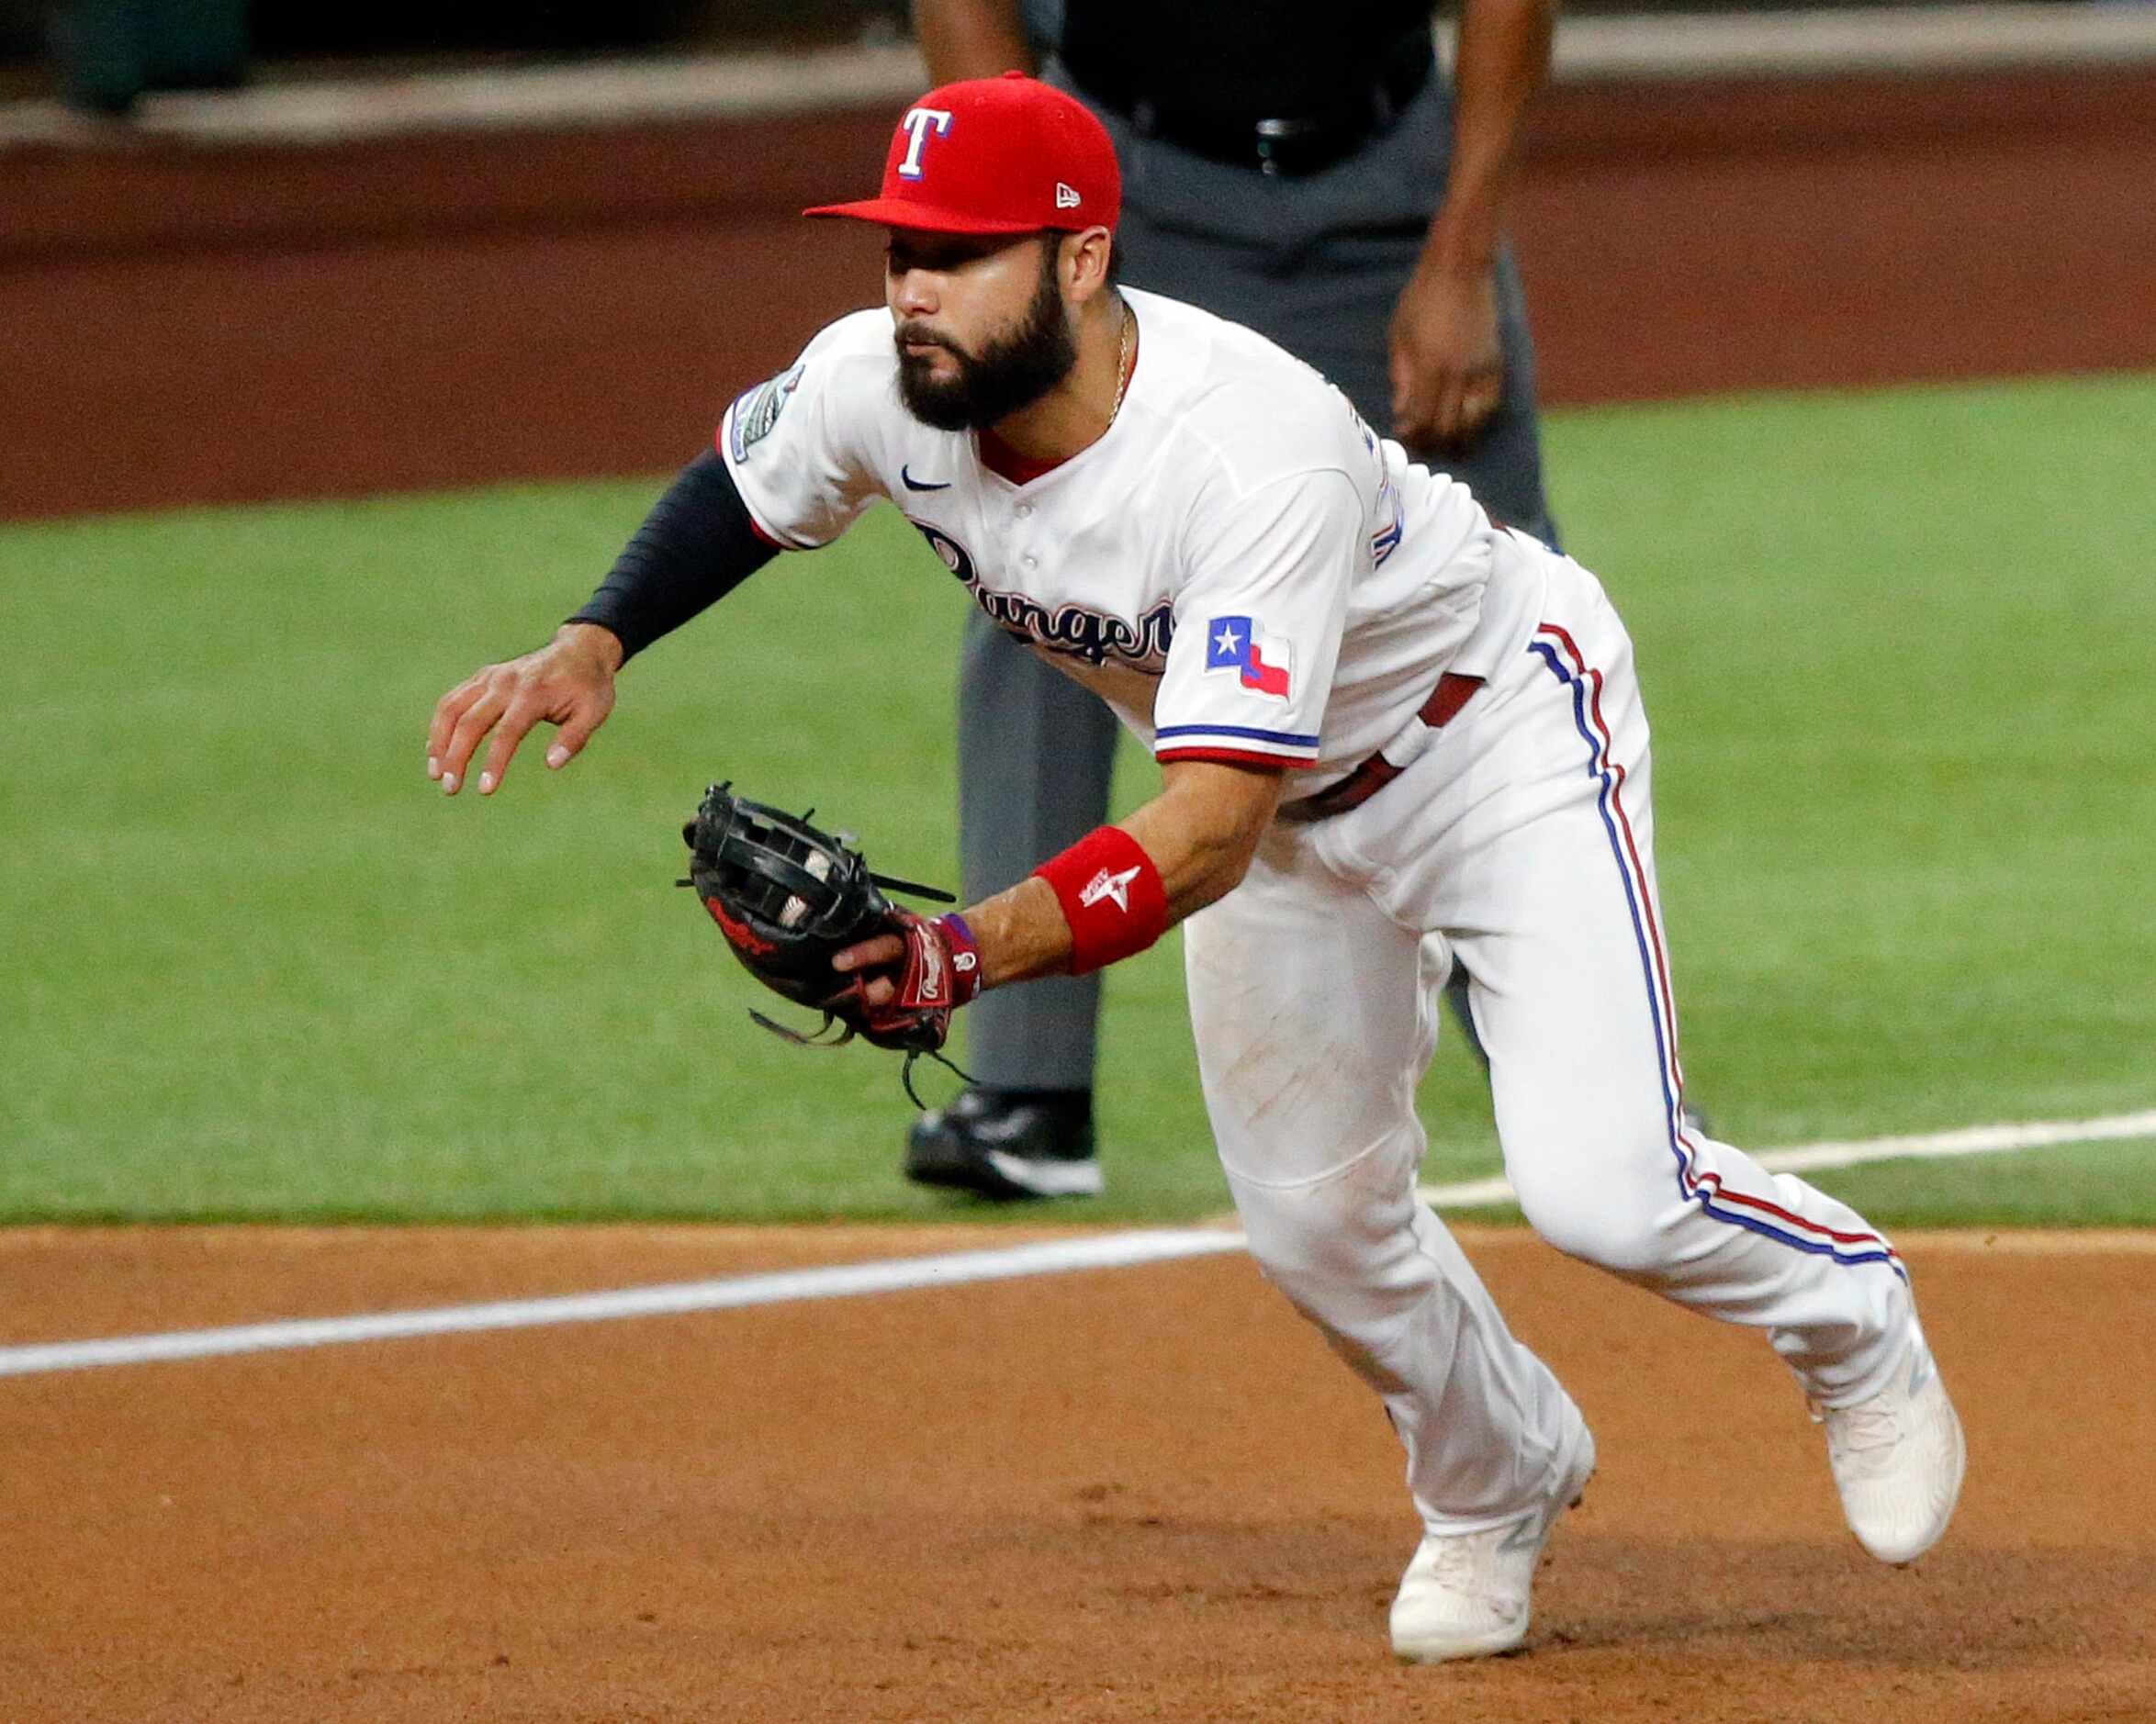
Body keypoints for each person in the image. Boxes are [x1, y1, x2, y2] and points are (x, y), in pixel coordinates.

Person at [424, 76, 1966, 1662]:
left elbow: (1211, 830)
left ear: (1082, 259)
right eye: (897, 251)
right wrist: (594, 637)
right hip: (1277, 811)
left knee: (1608, 1188)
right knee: (1317, 1225)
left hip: (1488, 740)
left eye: (959, 255)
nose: (913, 293)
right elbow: (743, 493)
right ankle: (1497, 1476)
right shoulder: (881, 382)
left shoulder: (1247, 455)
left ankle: (1854, 1323)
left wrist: (964, 954)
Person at [903, 0, 1567, 1200]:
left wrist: (1460, 257)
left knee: (1507, 620)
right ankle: (1027, 1089)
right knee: (1036, 565)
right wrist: (1015, 230)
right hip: (1130, 193)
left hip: (1390, 183)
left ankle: (1579, 1071)